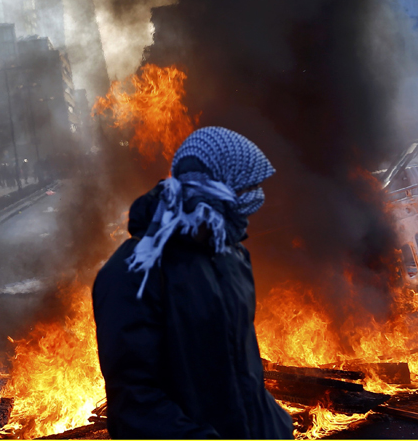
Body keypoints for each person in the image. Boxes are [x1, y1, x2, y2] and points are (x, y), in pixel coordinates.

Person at [93, 126, 294, 439]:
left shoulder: (232, 258)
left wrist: (276, 427)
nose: (252, 201)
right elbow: (135, 404)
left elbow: (244, 376)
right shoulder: (133, 271)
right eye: (242, 190)